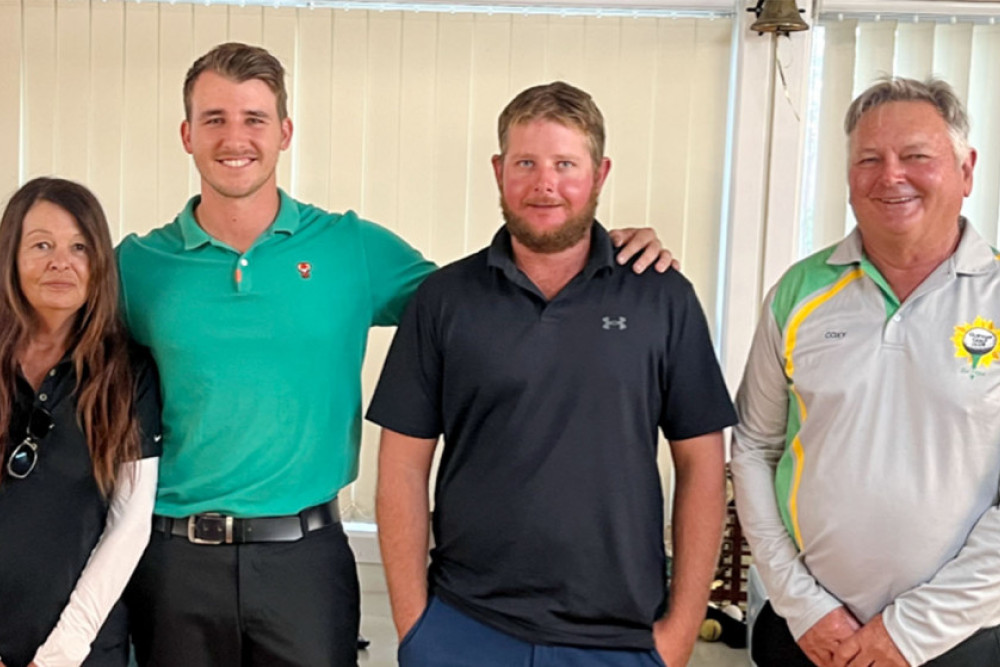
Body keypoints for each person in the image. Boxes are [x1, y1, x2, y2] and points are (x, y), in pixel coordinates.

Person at [118, 43, 673, 666]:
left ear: (285, 133)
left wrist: (606, 249)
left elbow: (493, 301)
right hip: (172, 557)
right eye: (215, 119)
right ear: (187, 134)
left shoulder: (350, 247)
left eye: (255, 119)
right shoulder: (138, 267)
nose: (235, 137)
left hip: (306, 557)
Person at [367, 81, 736, 667]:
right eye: (526, 163)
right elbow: (402, 466)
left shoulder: (662, 297)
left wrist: (681, 630)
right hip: (466, 627)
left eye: (566, 163)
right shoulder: (444, 299)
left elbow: (702, 465)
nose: (545, 184)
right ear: (498, 171)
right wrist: (416, 627)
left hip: (623, 638)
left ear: (600, 172)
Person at [731, 77, 1000, 667]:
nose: (890, 176)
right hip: (807, 634)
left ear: (966, 167)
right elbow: (753, 446)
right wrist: (803, 605)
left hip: (965, 641)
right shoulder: (798, 292)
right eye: (869, 160)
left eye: (916, 157)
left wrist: (911, 631)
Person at [0, 178, 161, 667]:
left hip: (81, 647)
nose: (60, 262)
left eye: (79, 248)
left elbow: (128, 526)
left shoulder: (128, 372)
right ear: (10, 256)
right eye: (41, 245)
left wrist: (60, 654)